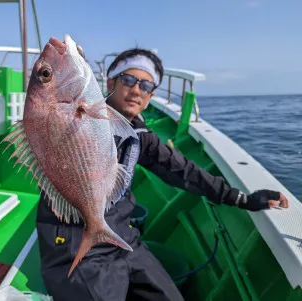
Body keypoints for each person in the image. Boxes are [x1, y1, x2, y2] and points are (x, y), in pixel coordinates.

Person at [35, 47, 290, 301]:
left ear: (150, 96)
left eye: (146, 86)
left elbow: (183, 171)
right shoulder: (74, 117)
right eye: (128, 80)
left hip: (123, 239)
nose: (136, 90)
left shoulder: (140, 135)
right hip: (75, 242)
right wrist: (67, 66)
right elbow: (44, 115)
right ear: (110, 82)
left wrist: (241, 199)